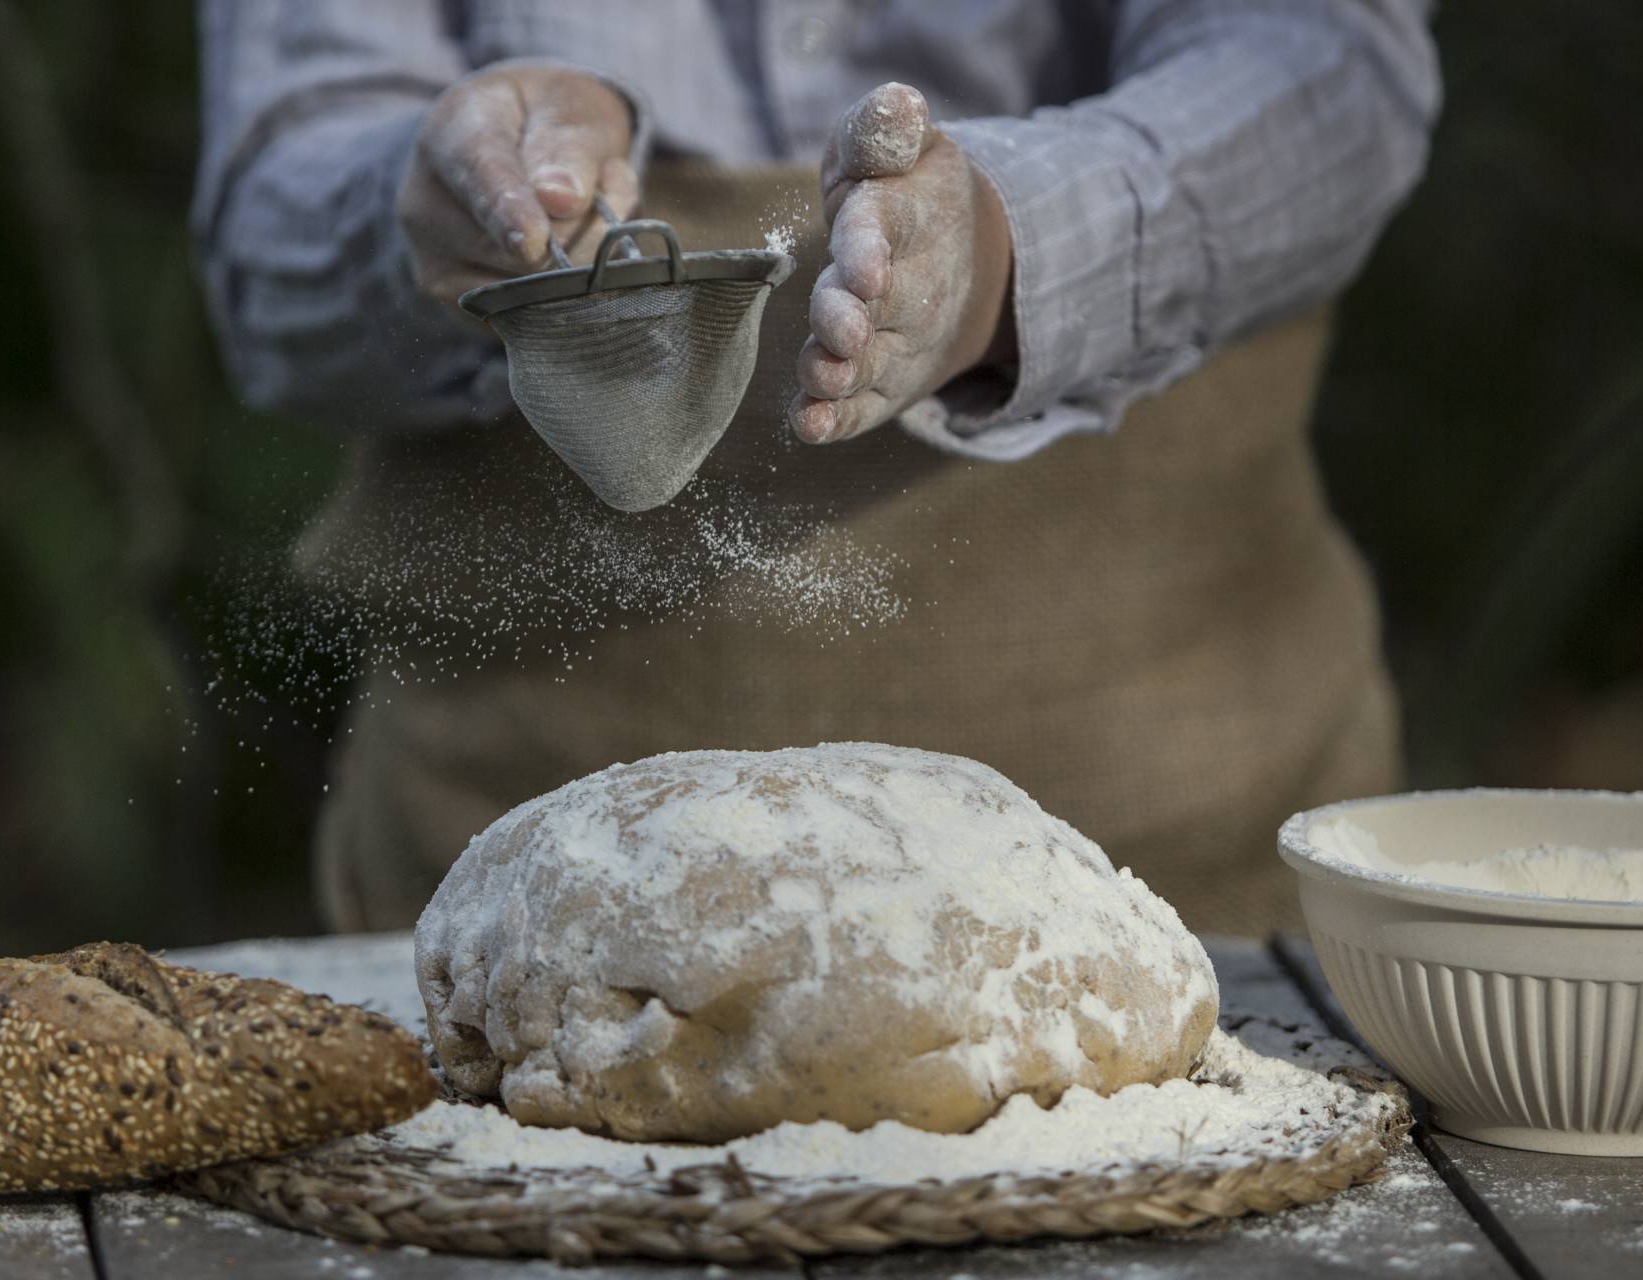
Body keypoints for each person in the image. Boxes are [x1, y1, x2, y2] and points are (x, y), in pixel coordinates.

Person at [192, 1, 1440, 936]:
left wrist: (1010, 251)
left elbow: (1324, 73)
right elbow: (266, 247)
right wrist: (423, 193)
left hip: (1187, 884)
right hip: (506, 903)